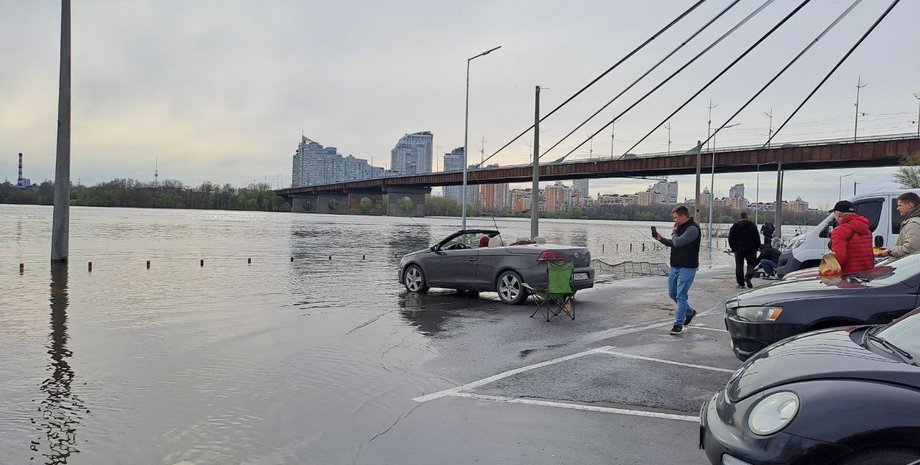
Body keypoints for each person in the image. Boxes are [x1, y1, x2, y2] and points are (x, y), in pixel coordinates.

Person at [654, 205, 701, 335]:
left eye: (675, 218)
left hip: (687, 267)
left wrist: (674, 232)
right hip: (675, 266)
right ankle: (690, 312)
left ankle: (678, 324)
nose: (674, 221)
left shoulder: (693, 229)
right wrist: (661, 239)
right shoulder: (680, 228)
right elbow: (674, 243)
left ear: (682, 216)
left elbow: (678, 242)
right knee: (672, 293)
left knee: (681, 295)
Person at [829, 200, 874, 274]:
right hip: (866, 274)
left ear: (838, 214)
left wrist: (828, 258)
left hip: (848, 276)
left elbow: (840, 258)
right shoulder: (866, 228)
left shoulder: (840, 230)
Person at [879, 192, 920, 259]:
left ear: (909, 205)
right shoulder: (912, 221)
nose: (897, 208)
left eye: (900, 205)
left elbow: (911, 248)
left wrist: (890, 251)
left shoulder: (914, 223)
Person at [728, 212, 761, 288]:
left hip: (738, 249)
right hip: (751, 249)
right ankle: (748, 276)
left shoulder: (735, 226)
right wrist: (757, 246)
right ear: (747, 217)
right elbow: (757, 237)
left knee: (739, 265)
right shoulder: (752, 225)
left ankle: (741, 283)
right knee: (751, 264)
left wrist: (733, 247)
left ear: (740, 217)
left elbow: (730, 238)